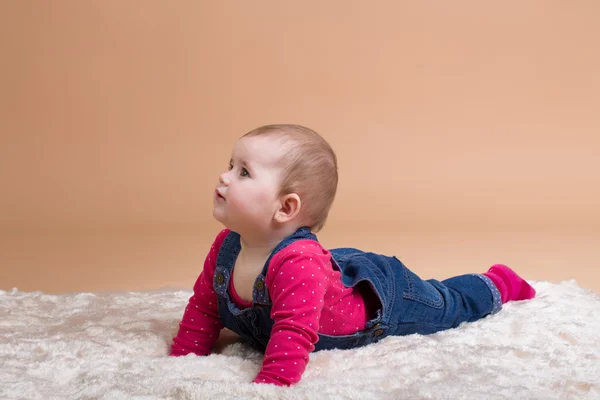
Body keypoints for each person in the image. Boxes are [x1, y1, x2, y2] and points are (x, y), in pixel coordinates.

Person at [170, 124, 536, 386]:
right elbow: (205, 306)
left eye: (244, 172)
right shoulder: (227, 247)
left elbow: (293, 333)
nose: (224, 176)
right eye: (231, 164)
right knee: (320, 270)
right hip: (330, 272)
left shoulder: (296, 263)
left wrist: (272, 384)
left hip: (380, 300)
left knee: (447, 304)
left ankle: (496, 283)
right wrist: (183, 357)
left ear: (286, 208)